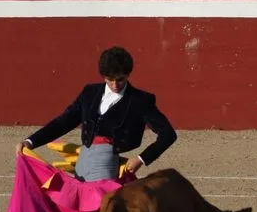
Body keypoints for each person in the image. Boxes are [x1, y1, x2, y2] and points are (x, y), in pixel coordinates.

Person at [17, 46, 177, 181]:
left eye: (120, 79)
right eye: (110, 79)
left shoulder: (140, 100)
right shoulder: (89, 93)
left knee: (99, 203)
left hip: (107, 162)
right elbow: (63, 122)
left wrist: (141, 159)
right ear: (103, 76)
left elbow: (168, 134)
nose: (115, 84)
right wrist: (31, 141)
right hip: (84, 159)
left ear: (128, 74)